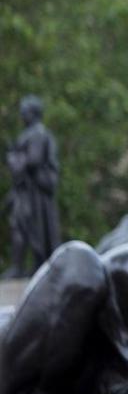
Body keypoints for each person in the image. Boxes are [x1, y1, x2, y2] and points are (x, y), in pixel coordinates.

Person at [3, 95, 61, 278]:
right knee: (22, 227)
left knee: (27, 228)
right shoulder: (31, 133)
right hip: (27, 191)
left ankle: (25, 266)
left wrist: (13, 158)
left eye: (24, 111)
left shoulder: (37, 133)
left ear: (33, 113)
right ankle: (20, 266)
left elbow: (33, 160)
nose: (21, 115)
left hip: (34, 193)